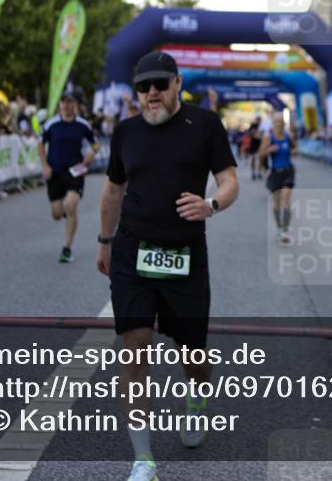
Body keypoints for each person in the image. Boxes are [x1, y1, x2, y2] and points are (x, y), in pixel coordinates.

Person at [95, 52, 238, 481]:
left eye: (160, 84)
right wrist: (104, 242)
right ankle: (143, 459)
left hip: (185, 256)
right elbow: (112, 191)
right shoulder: (126, 132)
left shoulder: (205, 124)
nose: (152, 93)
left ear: (178, 83)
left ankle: (196, 400)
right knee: (135, 345)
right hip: (132, 251)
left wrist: (211, 204)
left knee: (192, 354)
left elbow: (230, 181)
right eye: (144, 87)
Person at [38, 91, 99, 263]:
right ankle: (66, 211)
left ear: (75, 105)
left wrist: (91, 154)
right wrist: (45, 165)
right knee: (57, 214)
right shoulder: (51, 124)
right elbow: (40, 144)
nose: (66, 105)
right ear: (59, 105)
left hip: (75, 171)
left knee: (71, 205)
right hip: (55, 172)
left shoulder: (82, 125)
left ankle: (67, 248)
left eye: (70, 102)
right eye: (63, 102)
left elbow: (95, 144)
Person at [260, 111, 297, 244]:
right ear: (273, 124)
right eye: (277, 122)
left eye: (281, 122)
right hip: (275, 173)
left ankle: (285, 230)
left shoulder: (288, 136)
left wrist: (294, 151)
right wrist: (269, 150)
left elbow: (294, 149)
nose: (279, 124)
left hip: (288, 171)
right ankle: (279, 227)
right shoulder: (268, 137)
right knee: (276, 203)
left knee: (286, 200)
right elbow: (261, 153)